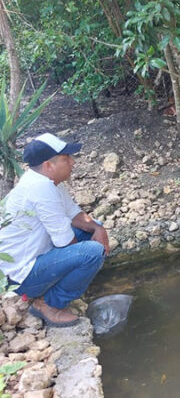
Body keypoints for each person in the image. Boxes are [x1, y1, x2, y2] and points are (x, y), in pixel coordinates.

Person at [0, 133, 109, 327]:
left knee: (91, 233)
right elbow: (65, 242)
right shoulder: (40, 188)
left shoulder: (47, 182)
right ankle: (50, 304)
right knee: (92, 253)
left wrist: (98, 228)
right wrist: (87, 260)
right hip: (21, 277)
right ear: (48, 165)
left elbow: (74, 215)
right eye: (66, 159)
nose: (73, 162)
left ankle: (58, 288)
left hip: (36, 257)